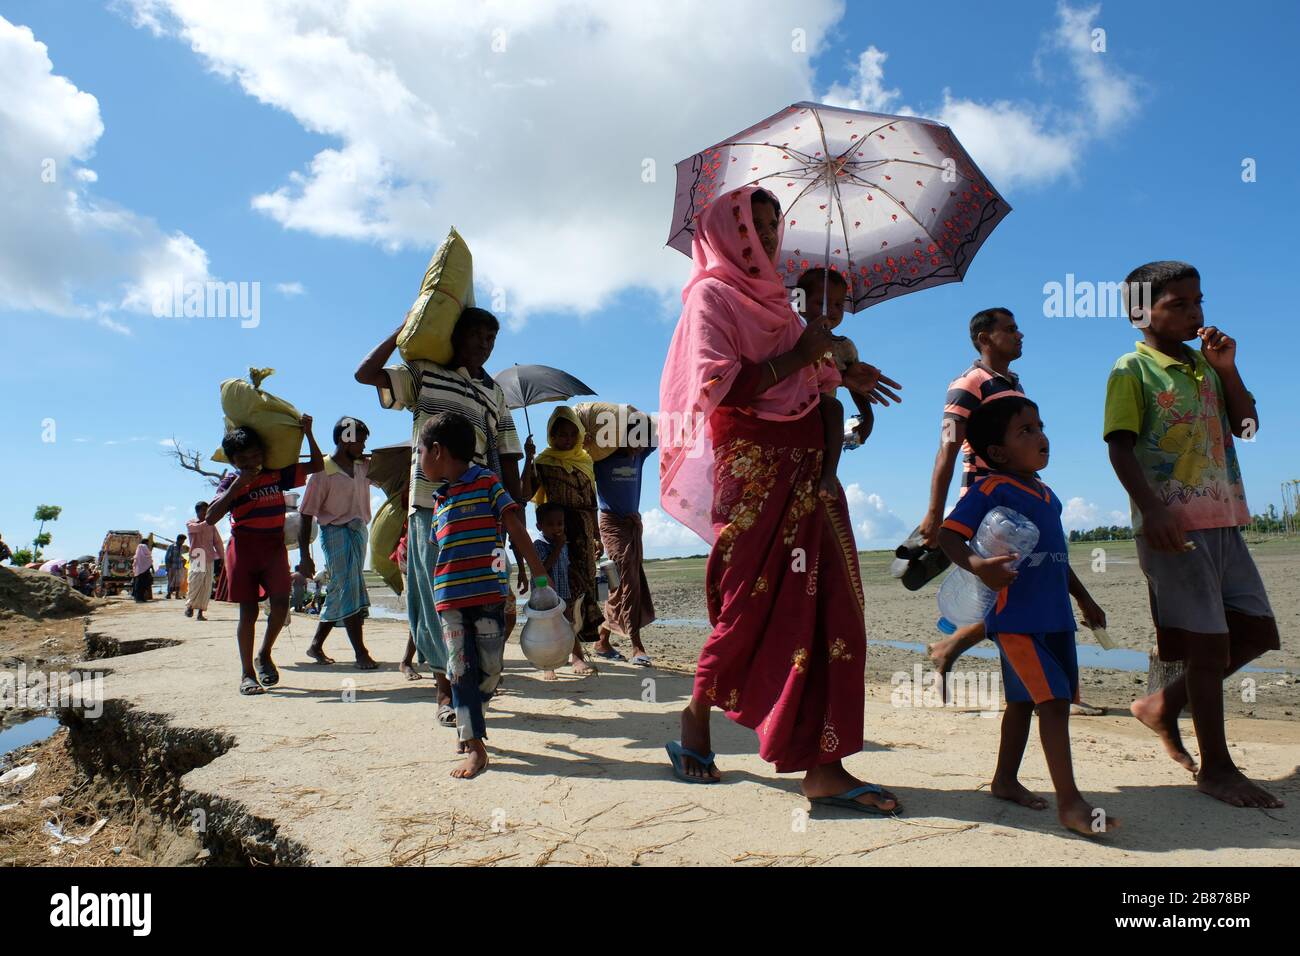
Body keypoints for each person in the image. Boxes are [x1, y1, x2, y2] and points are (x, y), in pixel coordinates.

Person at [658, 185, 899, 812]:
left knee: (831, 610)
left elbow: (814, 379)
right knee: (748, 608)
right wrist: (800, 353)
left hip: (813, 472)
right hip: (757, 472)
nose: (764, 238)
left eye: (772, 226)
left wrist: (848, 375)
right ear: (721, 235)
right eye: (750, 226)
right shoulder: (712, 296)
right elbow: (723, 387)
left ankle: (825, 765)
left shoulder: (784, 304)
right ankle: (695, 716)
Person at [1105, 261, 1282, 810]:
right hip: (1173, 529)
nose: (1195, 313)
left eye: (1198, 301)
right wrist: (1153, 511)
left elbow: (1247, 428)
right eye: (1177, 304)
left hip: (1224, 519)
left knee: (1255, 633)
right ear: (1140, 313)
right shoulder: (1131, 370)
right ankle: (1218, 769)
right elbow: (1119, 446)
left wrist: (1228, 369)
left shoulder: (1204, 366)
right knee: (1209, 646)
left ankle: (1161, 706)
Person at [938, 397, 1112, 836]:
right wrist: (978, 567)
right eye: (1026, 431)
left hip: (1055, 617)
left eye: (1040, 426)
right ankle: (1071, 803)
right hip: (1014, 618)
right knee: (1052, 703)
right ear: (997, 453)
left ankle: (1004, 780)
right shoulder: (991, 490)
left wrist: (1085, 599)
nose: (1041, 436)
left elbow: (1058, 556)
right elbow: (948, 535)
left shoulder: (1046, 495)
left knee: (1021, 703)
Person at [356, 307, 524, 730]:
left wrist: (515, 520)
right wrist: (402, 329)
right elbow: (366, 374)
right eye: (476, 335)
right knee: (436, 599)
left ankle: (475, 683)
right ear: (454, 335)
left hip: (484, 514)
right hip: (431, 507)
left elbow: (507, 458)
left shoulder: (495, 394)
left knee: (485, 598)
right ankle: (445, 692)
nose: (485, 344)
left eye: (491, 337)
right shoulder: (424, 374)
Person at [418, 411, 548, 779]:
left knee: (490, 668)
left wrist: (539, 576)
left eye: (421, 453)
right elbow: (440, 554)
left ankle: (472, 711)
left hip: (490, 593)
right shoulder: (439, 501)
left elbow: (514, 527)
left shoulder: (488, 482)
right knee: (460, 668)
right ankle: (473, 739)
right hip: (451, 601)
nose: (419, 461)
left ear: (438, 451)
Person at [205, 416, 324, 696]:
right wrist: (237, 485)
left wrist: (308, 433)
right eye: (244, 459)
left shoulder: (276, 473)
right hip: (244, 548)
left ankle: (264, 653)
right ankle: (247, 674)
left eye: (256, 455)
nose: (252, 462)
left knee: (281, 605)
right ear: (233, 461)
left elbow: (317, 466)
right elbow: (211, 517)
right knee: (248, 612)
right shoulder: (229, 482)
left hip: (273, 547)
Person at [520, 407, 601, 675]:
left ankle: (571, 649)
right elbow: (527, 492)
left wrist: (597, 536)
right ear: (550, 435)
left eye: (571, 434)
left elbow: (592, 502)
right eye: (560, 434)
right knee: (558, 596)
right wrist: (529, 459)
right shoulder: (543, 461)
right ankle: (568, 655)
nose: (566, 439)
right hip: (555, 530)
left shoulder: (585, 460)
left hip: (581, 533)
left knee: (580, 593)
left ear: (578, 435)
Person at [298, 416, 378, 670]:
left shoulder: (364, 467)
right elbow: (306, 513)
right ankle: (360, 652)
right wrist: (305, 555)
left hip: (358, 532)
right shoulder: (323, 472)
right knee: (349, 587)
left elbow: (389, 477)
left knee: (341, 589)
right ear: (345, 440)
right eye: (360, 440)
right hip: (334, 532)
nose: (364, 445)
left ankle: (316, 645)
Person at [592, 413, 658, 666]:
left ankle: (602, 640)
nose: (639, 445)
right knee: (627, 580)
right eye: (634, 438)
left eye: (643, 440)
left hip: (632, 522)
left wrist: (637, 417)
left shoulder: (639, 455)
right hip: (611, 523)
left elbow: (657, 433)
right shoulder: (603, 458)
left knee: (624, 581)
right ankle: (636, 645)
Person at [532, 502, 573, 680]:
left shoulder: (563, 543)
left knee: (568, 625)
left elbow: (566, 566)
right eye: (550, 524)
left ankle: (566, 657)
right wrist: (557, 547)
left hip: (563, 592)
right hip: (545, 598)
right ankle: (548, 666)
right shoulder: (539, 545)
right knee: (547, 632)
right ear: (539, 526)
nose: (556, 528)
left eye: (560, 523)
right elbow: (543, 568)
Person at [185, 502, 223, 621]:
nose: (206, 513)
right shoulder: (191, 523)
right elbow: (196, 528)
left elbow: (217, 542)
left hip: (209, 557)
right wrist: (208, 521)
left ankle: (200, 612)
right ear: (197, 511)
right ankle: (190, 606)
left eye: (207, 510)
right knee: (195, 582)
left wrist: (223, 557)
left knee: (206, 586)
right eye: (204, 510)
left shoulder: (212, 526)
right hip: (198, 556)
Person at [131, 536, 154, 602]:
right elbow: (149, 557)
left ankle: (138, 598)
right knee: (144, 585)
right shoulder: (144, 547)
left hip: (138, 571)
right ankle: (141, 598)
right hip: (145, 571)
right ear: (146, 543)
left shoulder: (138, 552)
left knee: (138, 585)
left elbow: (135, 561)